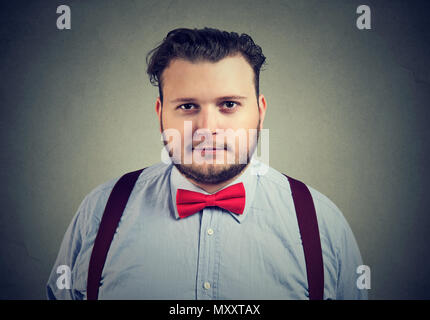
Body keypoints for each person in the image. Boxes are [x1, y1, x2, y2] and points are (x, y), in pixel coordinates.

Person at [46, 27, 367, 300]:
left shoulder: (321, 221)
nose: (207, 127)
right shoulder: (100, 211)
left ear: (260, 111)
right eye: (187, 106)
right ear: (160, 113)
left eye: (229, 104)